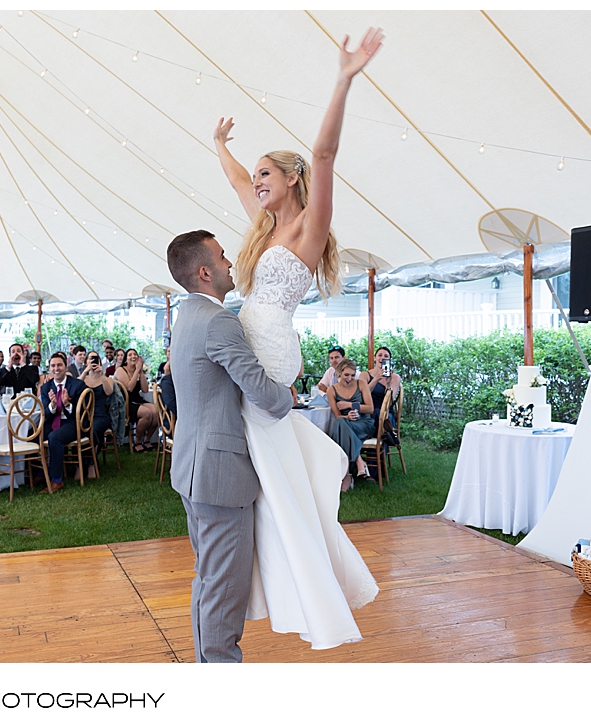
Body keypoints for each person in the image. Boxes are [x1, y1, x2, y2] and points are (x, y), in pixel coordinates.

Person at [211, 27, 383, 649]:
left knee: (275, 472)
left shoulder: (310, 229)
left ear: (289, 177)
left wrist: (343, 77)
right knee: (266, 468)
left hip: (272, 347)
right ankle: (273, 570)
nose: (253, 182)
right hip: (247, 340)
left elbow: (326, 154)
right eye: (253, 176)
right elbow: (235, 182)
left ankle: (299, 579)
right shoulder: (260, 226)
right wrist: (219, 147)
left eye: (264, 173)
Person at [166, 230, 293, 663]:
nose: (231, 264)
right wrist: (289, 394)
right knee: (223, 591)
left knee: (209, 581)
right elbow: (260, 387)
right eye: (223, 257)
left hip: (193, 467)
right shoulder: (218, 320)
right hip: (219, 475)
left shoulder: (186, 316)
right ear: (205, 272)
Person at [40, 352, 89, 491]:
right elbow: (46, 414)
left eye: (59, 365)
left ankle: (56, 480)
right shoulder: (46, 387)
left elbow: (83, 413)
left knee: (54, 437)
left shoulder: (78, 385)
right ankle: (39, 473)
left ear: (66, 366)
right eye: (53, 366)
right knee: (32, 433)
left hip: (73, 422)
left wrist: (67, 404)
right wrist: (53, 406)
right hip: (53, 421)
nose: (56, 368)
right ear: (49, 368)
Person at [327, 358, 376, 488]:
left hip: (364, 423)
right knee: (340, 422)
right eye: (346, 375)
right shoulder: (331, 390)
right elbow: (338, 415)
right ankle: (358, 460)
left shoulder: (361, 384)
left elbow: (370, 408)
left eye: (352, 375)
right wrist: (347, 416)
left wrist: (350, 405)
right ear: (339, 373)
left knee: (339, 427)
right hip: (347, 423)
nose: (349, 378)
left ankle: (347, 474)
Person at [114, 348, 160, 453]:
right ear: (126, 359)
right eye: (130, 355)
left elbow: (144, 389)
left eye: (135, 354)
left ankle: (147, 439)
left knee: (157, 412)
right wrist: (136, 372)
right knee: (146, 413)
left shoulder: (138, 370)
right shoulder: (121, 370)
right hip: (125, 402)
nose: (133, 356)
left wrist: (140, 372)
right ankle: (137, 441)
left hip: (137, 399)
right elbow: (129, 388)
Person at [76, 352, 115, 467]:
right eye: (90, 359)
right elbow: (74, 388)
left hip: (100, 415)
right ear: (86, 361)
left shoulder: (106, 378)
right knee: (80, 429)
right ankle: (83, 463)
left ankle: (91, 463)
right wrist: (85, 371)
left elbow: (109, 392)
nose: (92, 361)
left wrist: (101, 374)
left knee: (94, 430)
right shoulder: (83, 378)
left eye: (95, 359)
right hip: (84, 415)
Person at [360, 345, 401, 429]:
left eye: (386, 356)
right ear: (375, 358)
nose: (382, 358)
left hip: (384, 413)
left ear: (389, 360)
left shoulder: (395, 377)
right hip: (367, 411)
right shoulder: (365, 375)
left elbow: (389, 402)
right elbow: (361, 395)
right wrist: (376, 379)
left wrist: (388, 384)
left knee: (383, 418)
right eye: (380, 355)